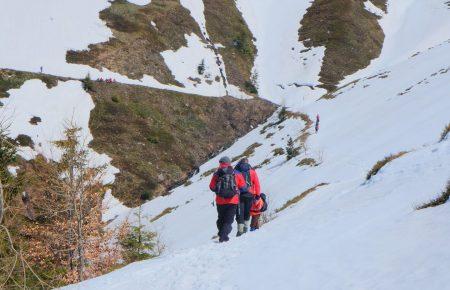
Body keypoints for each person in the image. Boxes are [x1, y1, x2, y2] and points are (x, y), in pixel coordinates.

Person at [209, 156, 246, 242]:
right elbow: (243, 187)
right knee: (228, 221)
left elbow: (211, 187)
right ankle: (223, 236)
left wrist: (218, 190)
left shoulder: (217, 174)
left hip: (220, 201)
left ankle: (222, 234)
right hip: (232, 201)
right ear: (229, 163)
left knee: (221, 219)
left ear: (221, 163)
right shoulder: (236, 173)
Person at [234, 158, 261, 236]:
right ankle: (245, 229)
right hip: (250, 194)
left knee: (239, 213)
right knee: (247, 212)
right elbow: (257, 184)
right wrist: (258, 195)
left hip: (239, 195)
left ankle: (240, 231)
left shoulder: (236, 172)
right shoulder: (252, 171)